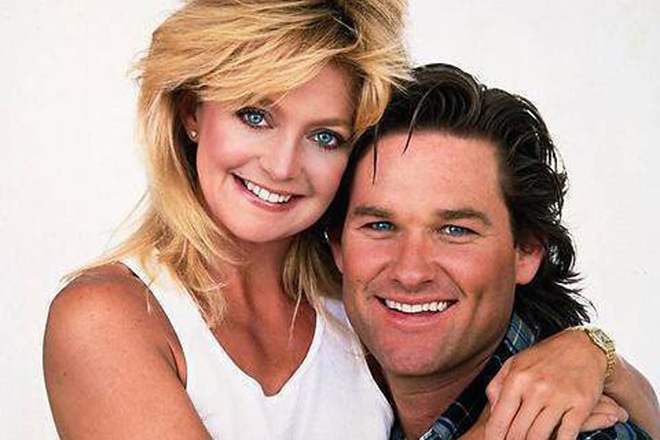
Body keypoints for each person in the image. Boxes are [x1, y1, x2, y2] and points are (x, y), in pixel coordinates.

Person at [42, 0, 653, 438]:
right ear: (191, 112)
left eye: (325, 136)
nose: (282, 166)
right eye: (255, 116)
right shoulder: (109, 317)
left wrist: (593, 353)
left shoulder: (359, 297)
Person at [326, 63, 659, 439]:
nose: (410, 272)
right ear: (337, 244)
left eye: (455, 230)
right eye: (380, 226)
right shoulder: (331, 394)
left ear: (527, 250)